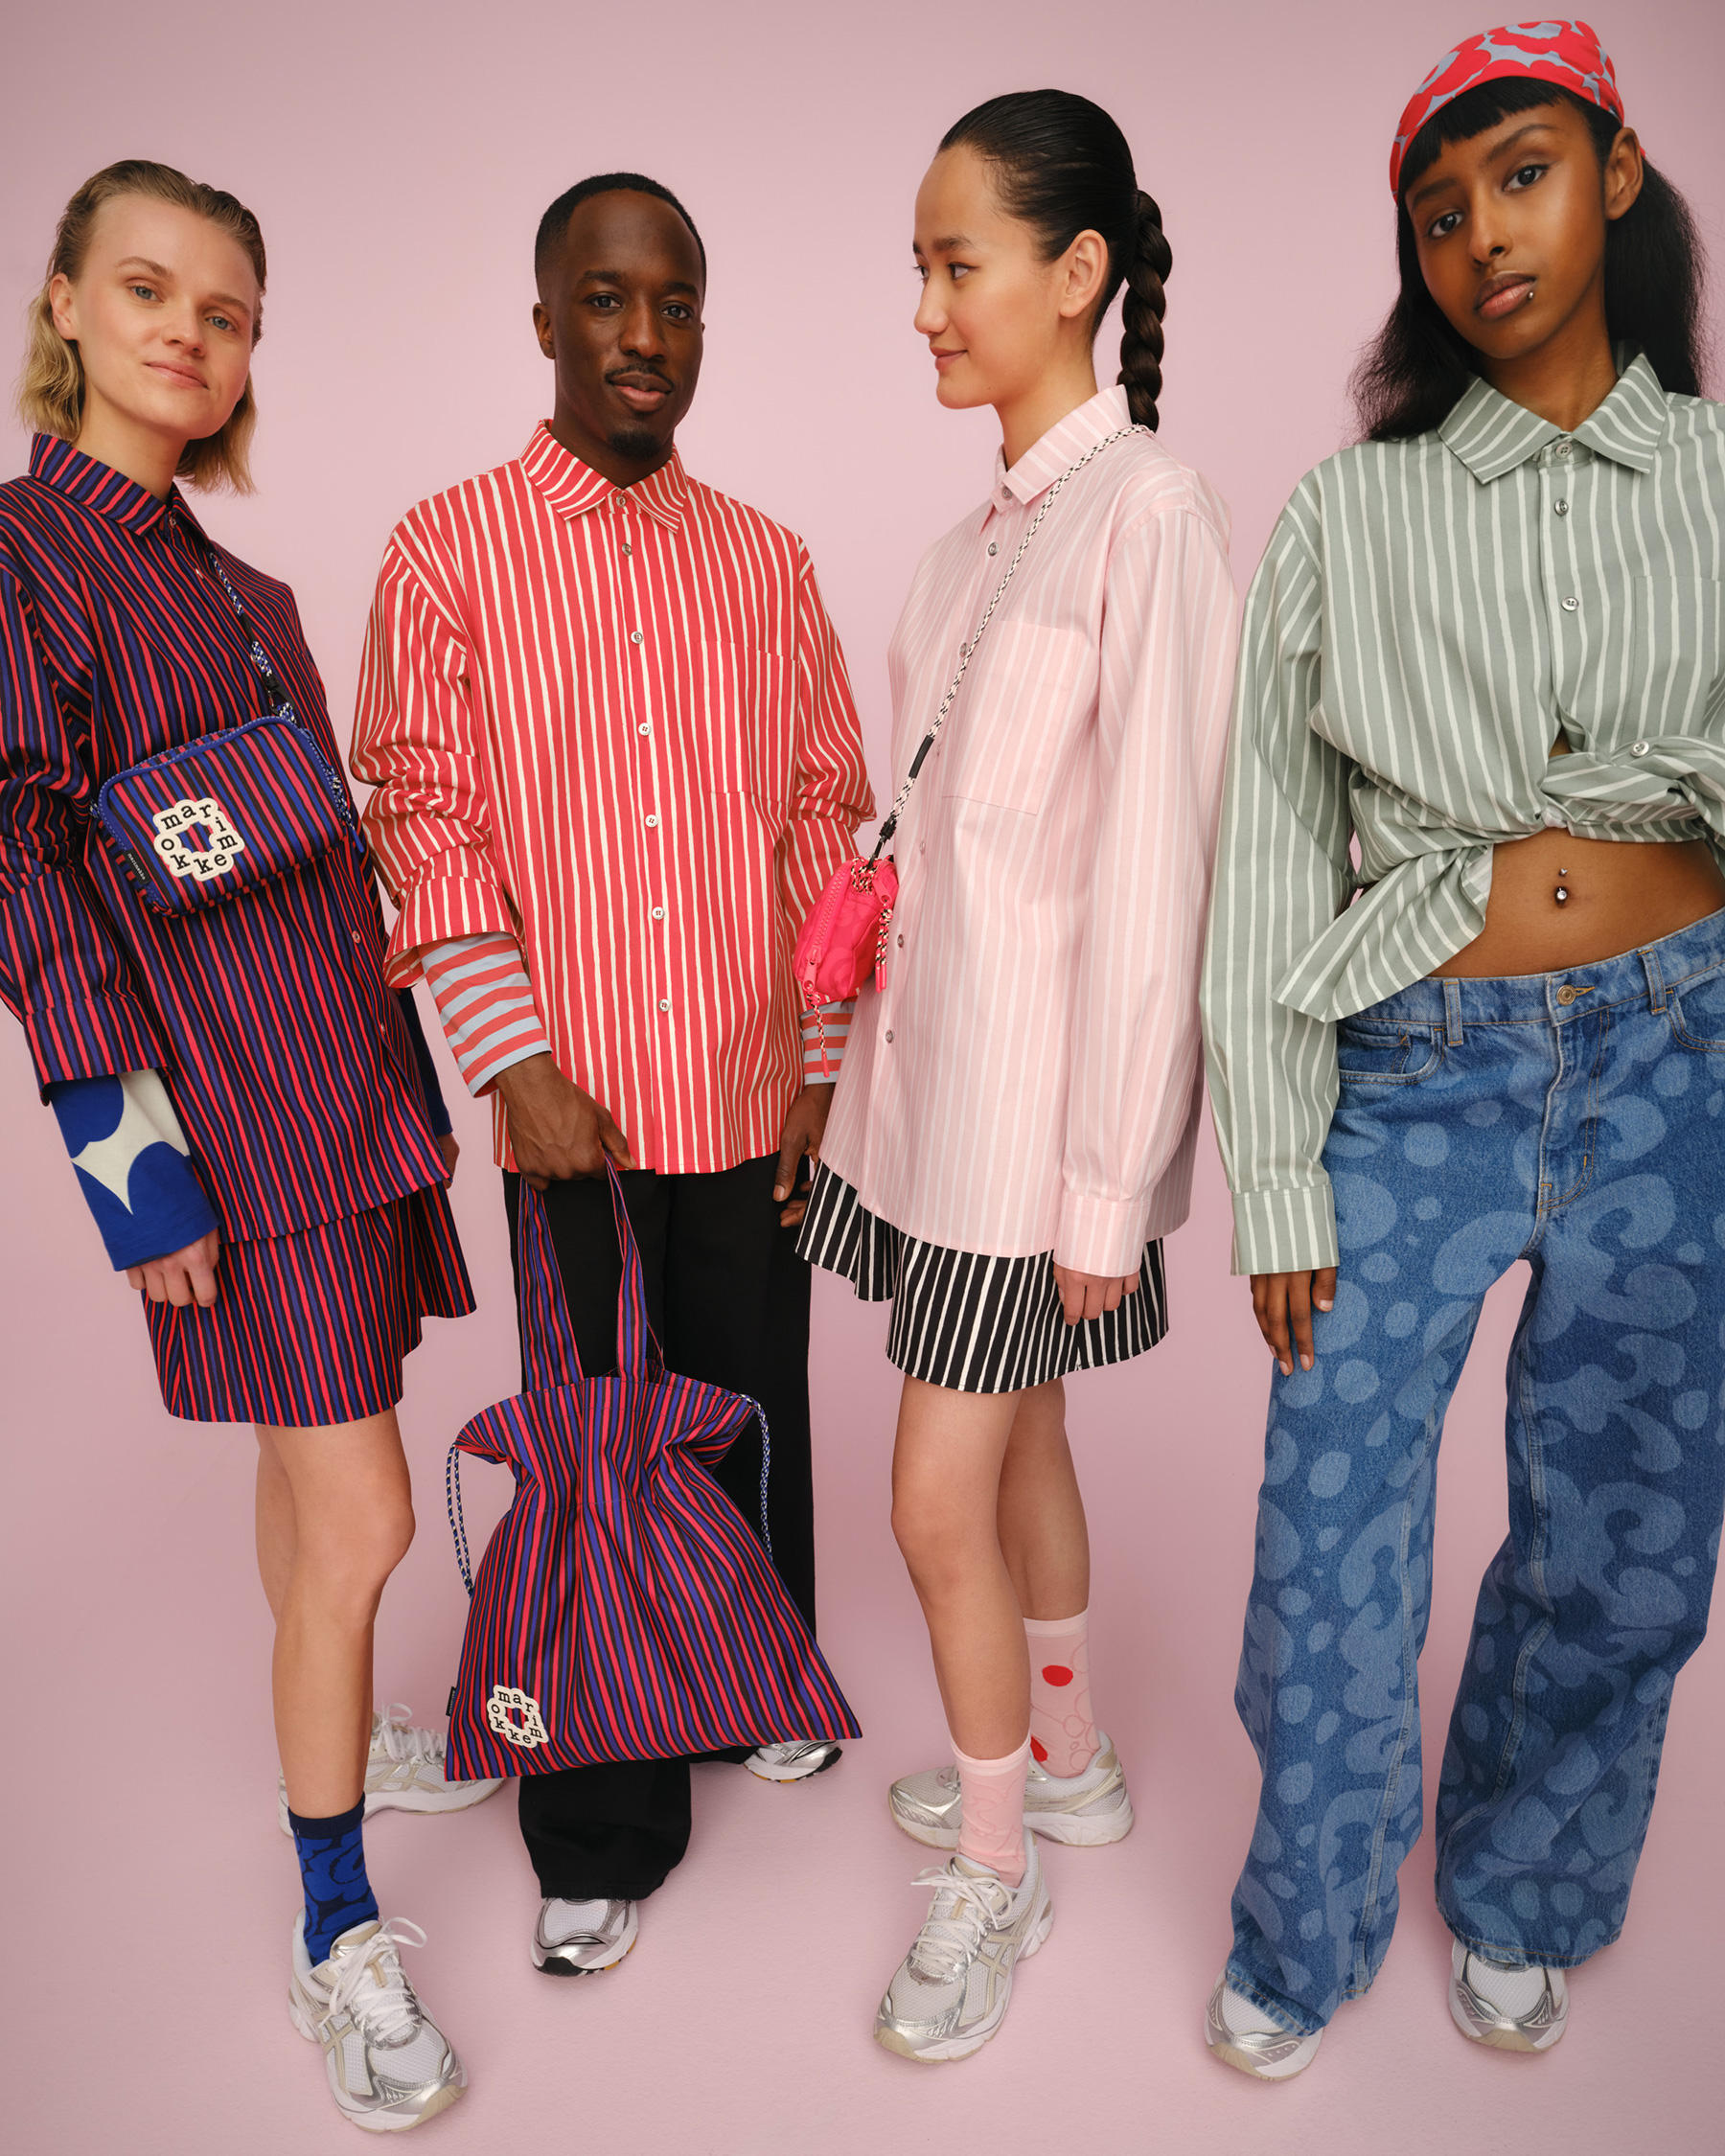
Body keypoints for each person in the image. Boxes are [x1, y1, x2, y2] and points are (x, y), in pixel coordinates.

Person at [1200, 20, 1724, 2078]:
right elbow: (1268, 844)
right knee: (1331, 1521)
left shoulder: (1718, 481)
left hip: (1684, 1059)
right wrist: (1273, 1162)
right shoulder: (1352, 511)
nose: (1481, 235)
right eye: (1437, 213)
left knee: (1629, 1532)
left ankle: (1525, 1889)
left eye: (1520, 175)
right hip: (1416, 1063)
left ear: (1615, 174)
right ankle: (1310, 1916)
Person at [0, 162, 498, 2133]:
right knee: (367, 1523)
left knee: (319, 1480)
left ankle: (339, 1735)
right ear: (64, 302)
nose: (187, 335)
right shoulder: (25, 555)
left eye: (225, 313)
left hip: (347, 1093)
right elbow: (25, 879)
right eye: (147, 290)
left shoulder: (244, 585)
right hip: (222, 1126)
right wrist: (128, 1167)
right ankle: (333, 1923)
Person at [351, 171, 874, 1979]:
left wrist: (817, 1061)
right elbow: (422, 808)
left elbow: (820, 816)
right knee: (594, 1442)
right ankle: (599, 1821)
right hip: (567, 1102)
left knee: (747, 1397)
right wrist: (509, 1054)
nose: (643, 336)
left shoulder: (767, 560)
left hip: (741, 1077)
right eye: (605, 298)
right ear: (546, 319)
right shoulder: (449, 546)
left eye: (676, 304)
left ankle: (748, 1674)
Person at [799, 91, 1237, 2060]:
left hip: (1026, 1140)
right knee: (1028, 1442)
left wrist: (1107, 1185)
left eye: (955, 263)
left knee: (932, 1503)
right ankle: (1063, 1764)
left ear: (1078, 273)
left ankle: (993, 1871)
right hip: (931, 1106)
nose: (925, 306)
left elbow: (1159, 874)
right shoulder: (972, 541)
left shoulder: (1151, 514)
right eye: (918, 265)